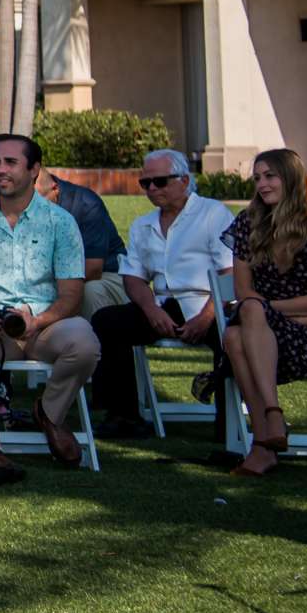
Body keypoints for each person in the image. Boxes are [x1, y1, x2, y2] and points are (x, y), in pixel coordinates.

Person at [0, 133, 101, 486]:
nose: (1, 169)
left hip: (46, 323)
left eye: (11, 162)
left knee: (85, 343)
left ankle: (48, 412)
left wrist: (39, 320)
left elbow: (72, 294)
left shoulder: (60, 222)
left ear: (34, 170)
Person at [88, 149, 234, 439]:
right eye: (146, 183)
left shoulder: (212, 213)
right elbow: (133, 276)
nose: (152, 189)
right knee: (108, 320)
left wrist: (206, 317)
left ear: (184, 180)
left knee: (229, 335)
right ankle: (123, 415)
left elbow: (230, 272)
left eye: (161, 181)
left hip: (211, 302)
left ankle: (228, 425)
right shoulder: (144, 224)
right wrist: (151, 310)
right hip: (165, 304)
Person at [222, 147, 307, 478]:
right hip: (259, 332)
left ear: (290, 178)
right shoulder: (248, 225)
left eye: (270, 176)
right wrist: (257, 310)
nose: (262, 184)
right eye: (257, 177)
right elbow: (242, 290)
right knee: (237, 330)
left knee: (242, 325)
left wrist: (264, 309)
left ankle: (263, 440)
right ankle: (270, 422)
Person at [36, 159, 128, 317]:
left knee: (88, 292)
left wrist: (45, 285)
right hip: (54, 276)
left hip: (109, 274)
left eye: (38, 202)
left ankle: (93, 340)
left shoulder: (86, 204)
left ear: (55, 189)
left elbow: (93, 269)